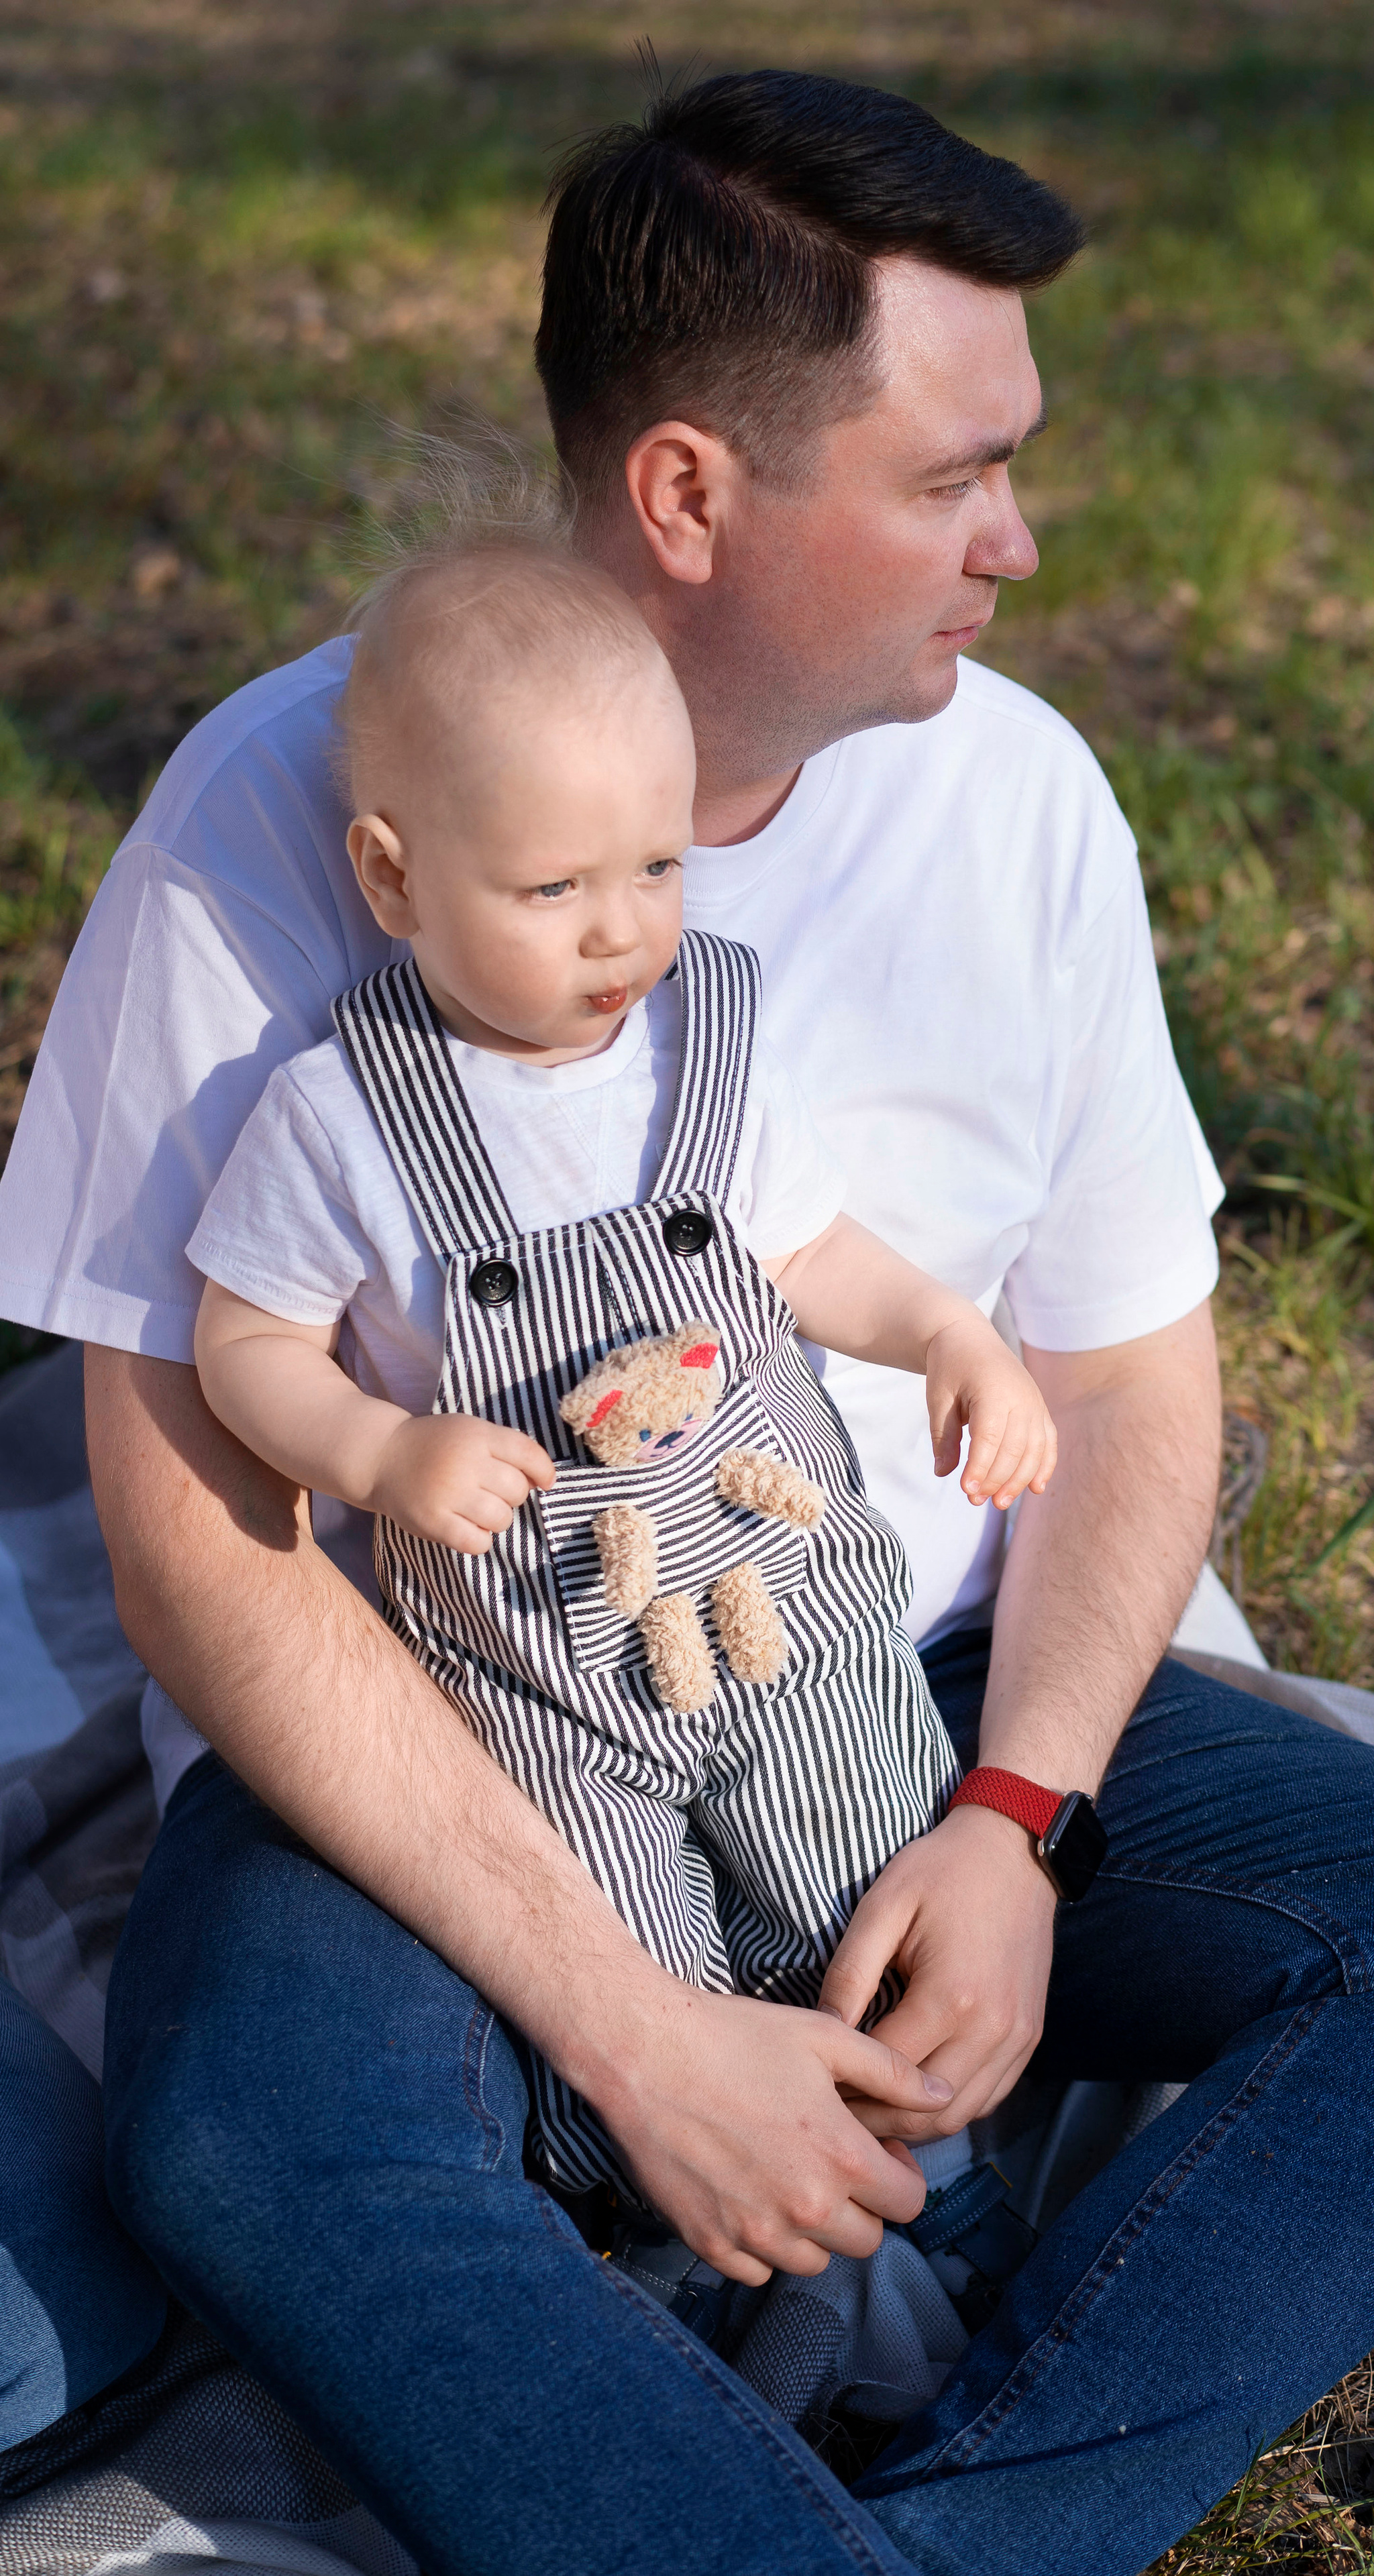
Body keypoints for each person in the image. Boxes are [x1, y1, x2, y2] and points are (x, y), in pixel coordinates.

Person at [0, 66, 1374, 2576]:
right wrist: (626, 2027)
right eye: (949, 478)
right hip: (470, 1730)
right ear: (691, 496)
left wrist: (1019, 1824)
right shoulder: (273, 826)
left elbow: (1122, 1372)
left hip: (918, 1693)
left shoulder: (1025, 808)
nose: (1020, 538)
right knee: (251, 2132)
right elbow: (198, 1542)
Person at [189, 526, 1051, 2199]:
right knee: (624, 1988)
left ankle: (915, 2204)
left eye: (654, 869)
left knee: (869, 1910)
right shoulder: (341, 1118)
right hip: (537, 1682)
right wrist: (371, 1453)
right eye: (550, 889)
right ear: (391, 878)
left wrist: (952, 1334)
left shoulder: (704, 1043)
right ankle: (660, 2244)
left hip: (787, 1618)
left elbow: (807, 1260)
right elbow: (245, 1344)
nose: (616, 934)